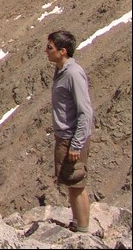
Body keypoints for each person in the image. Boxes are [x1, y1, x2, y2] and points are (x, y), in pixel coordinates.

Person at [45, 30, 94, 234]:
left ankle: (83, 231)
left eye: (50, 48)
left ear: (62, 51)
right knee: (71, 184)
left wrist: (76, 144)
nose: (46, 51)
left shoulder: (73, 73)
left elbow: (85, 111)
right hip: (65, 137)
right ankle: (77, 223)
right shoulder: (62, 71)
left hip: (72, 138)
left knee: (77, 185)